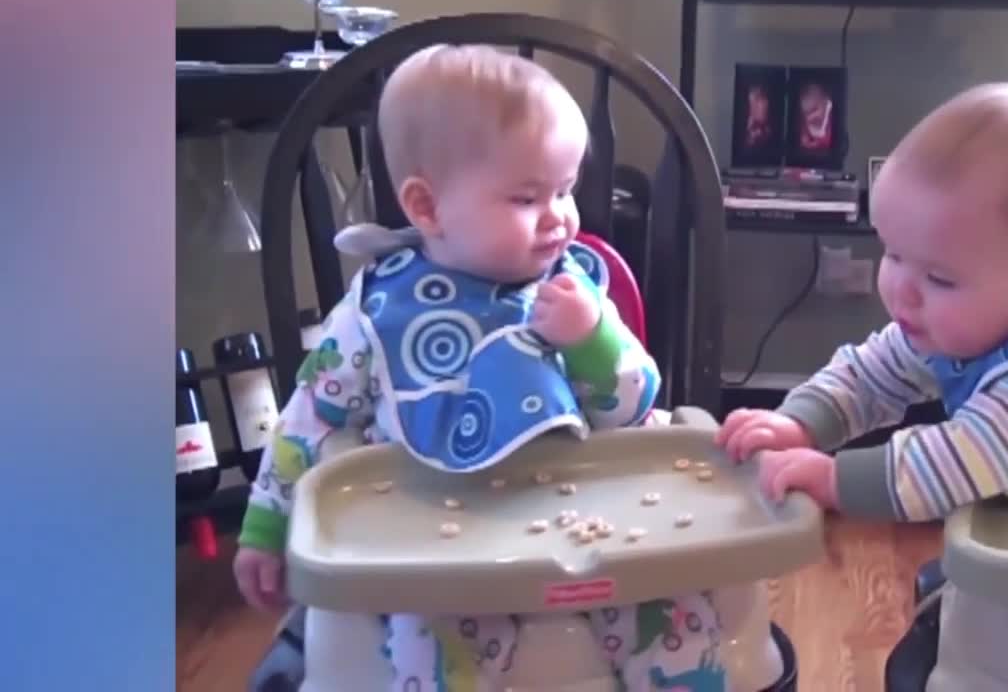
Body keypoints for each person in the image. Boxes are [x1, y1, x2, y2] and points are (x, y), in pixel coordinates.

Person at [233, 45, 722, 691]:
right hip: (438, 550)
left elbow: (630, 411)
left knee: (679, 611)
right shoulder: (378, 315)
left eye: (566, 190)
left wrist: (592, 341)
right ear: (428, 208)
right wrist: (266, 526)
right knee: (420, 643)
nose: (560, 218)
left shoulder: (574, 291)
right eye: (526, 198)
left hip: (587, 526)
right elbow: (308, 421)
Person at [717, 82, 1008, 686]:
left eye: (939, 277)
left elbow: (952, 465)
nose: (900, 289)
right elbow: (873, 370)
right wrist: (802, 422)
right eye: (893, 253)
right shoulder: (977, 319)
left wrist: (832, 479)